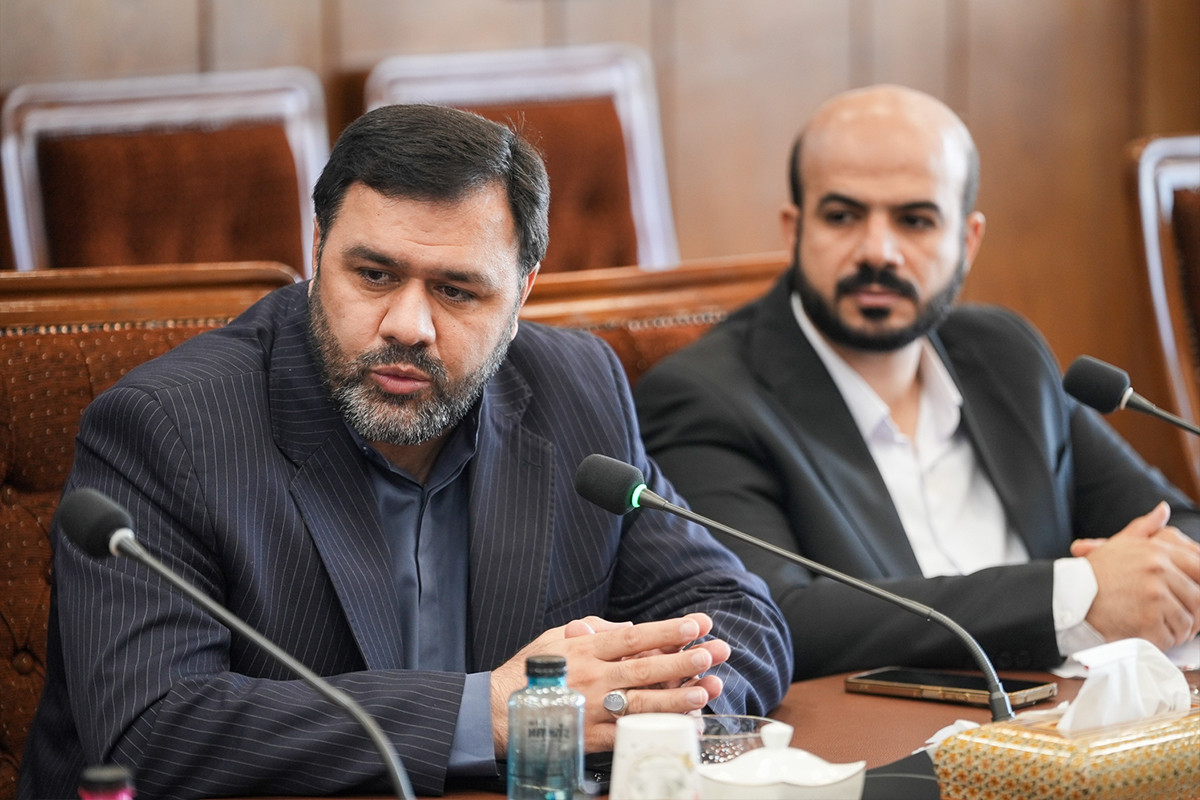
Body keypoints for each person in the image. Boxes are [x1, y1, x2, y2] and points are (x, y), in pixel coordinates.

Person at [20, 104, 791, 798]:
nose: (408, 326)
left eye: (457, 290)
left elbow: (739, 615)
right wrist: (493, 712)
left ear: (522, 294)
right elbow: (153, 729)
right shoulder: (167, 427)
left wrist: (646, 712)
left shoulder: (575, 388)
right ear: (318, 251)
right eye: (374, 274)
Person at [634, 84, 1200, 681]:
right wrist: (1075, 595)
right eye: (843, 216)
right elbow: (767, 618)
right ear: (793, 229)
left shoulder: (1006, 356)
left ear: (967, 240)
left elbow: (1178, 525)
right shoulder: (705, 397)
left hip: (1080, 718)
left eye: (915, 220)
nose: (878, 251)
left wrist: (1151, 573)